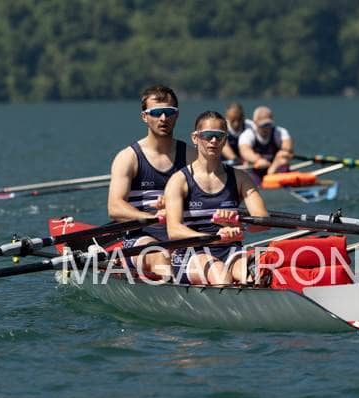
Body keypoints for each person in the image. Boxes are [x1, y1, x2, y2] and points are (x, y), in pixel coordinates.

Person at [165, 110, 269, 285]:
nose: (213, 140)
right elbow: (174, 231)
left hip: (230, 251)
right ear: (195, 138)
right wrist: (215, 237)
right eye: (207, 135)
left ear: (225, 140)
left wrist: (239, 226)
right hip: (191, 254)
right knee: (220, 274)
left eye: (219, 136)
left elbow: (263, 221)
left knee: (256, 275)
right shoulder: (179, 181)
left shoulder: (240, 178)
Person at [107, 85, 196, 276]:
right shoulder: (128, 158)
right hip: (141, 237)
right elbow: (115, 208)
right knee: (159, 255)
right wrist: (153, 218)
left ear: (176, 115)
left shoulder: (192, 156)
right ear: (144, 117)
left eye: (169, 112)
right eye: (156, 113)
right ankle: (171, 289)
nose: (163, 118)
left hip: (182, 233)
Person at [238, 105, 293, 181]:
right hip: (255, 169)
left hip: (276, 167)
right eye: (264, 125)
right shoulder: (247, 135)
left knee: (283, 161)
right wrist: (257, 160)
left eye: (269, 125)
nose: (267, 128)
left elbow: (287, 150)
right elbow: (245, 151)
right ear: (255, 123)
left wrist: (274, 166)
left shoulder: (280, 132)